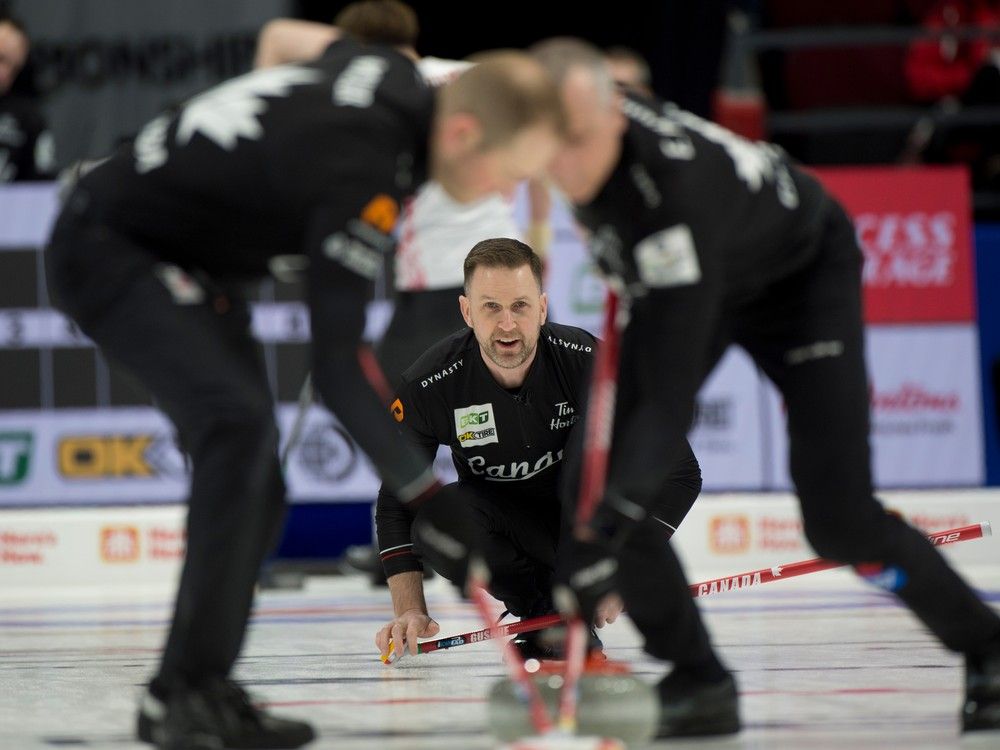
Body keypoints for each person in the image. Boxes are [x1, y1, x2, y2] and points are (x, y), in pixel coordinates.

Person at [45, 34, 564, 749]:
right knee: (236, 434)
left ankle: (204, 686)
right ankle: (178, 697)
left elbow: (312, 45)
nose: (504, 196)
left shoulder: (391, 76)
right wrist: (427, 498)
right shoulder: (363, 171)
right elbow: (341, 372)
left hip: (187, 255)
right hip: (112, 246)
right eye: (507, 176)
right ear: (467, 133)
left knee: (257, 471)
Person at [528, 37, 1000, 737]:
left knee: (837, 521)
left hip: (801, 274)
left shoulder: (672, 196)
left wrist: (602, 533)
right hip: (704, 265)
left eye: (576, 144)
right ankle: (699, 678)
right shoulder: (573, 125)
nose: (561, 165)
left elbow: (668, 397)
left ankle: (987, 647)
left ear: (617, 118)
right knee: (592, 491)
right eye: (547, 147)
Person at [254, 0, 552, 584]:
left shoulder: (394, 90)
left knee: (391, 414)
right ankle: (419, 536)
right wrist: (540, 243)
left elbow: (278, 35)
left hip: (450, 285)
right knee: (456, 415)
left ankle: (420, 538)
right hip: (498, 277)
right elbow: (534, 141)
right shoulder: (467, 76)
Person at [372, 237, 704, 661]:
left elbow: (679, 472)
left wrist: (623, 566)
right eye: (491, 307)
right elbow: (396, 501)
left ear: (543, 309)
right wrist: (410, 611)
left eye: (521, 306)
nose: (507, 325)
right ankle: (549, 619)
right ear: (467, 311)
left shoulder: (588, 362)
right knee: (435, 521)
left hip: (586, 529)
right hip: (504, 531)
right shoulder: (430, 384)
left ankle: (563, 616)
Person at [0, 13, 54, 182]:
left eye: (15, 68)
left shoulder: (27, 118)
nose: (5, 74)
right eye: (0, 59)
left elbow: (41, 182)